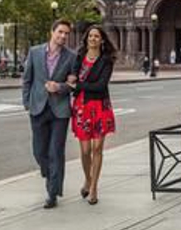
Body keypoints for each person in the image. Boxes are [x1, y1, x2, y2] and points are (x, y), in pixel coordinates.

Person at [22, 19, 76, 209]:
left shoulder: (71, 56)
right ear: (52, 32)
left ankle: (52, 193)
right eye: (60, 32)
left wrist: (59, 87)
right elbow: (27, 79)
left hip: (60, 111)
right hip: (37, 108)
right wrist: (26, 102)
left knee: (55, 152)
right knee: (39, 152)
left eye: (66, 33)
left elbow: (72, 85)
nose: (63, 36)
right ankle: (49, 172)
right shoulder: (35, 52)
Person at [67, 25, 116, 205]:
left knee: (97, 149)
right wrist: (72, 79)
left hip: (100, 106)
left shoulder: (106, 60)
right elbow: (72, 76)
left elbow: (101, 85)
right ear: (87, 38)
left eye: (97, 36)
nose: (93, 39)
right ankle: (87, 178)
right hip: (82, 106)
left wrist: (78, 85)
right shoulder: (79, 57)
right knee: (85, 150)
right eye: (91, 36)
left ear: (102, 40)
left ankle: (94, 187)